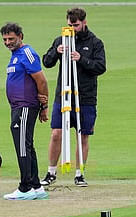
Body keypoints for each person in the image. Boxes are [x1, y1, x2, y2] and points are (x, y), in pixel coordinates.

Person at [41, 7, 106, 187]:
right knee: (56, 133)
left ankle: (80, 173)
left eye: (76, 25)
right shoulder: (61, 39)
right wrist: (57, 51)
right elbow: (46, 62)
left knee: (82, 135)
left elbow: (100, 67)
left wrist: (81, 59)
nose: (72, 28)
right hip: (63, 95)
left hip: (86, 96)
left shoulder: (95, 43)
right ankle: (51, 172)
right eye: (70, 24)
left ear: (84, 22)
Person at [0, 22, 49, 200]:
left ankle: (25, 187)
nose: (7, 42)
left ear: (21, 36)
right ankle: (36, 186)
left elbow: (41, 81)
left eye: (11, 38)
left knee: (22, 146)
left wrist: (44, 105)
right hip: (20, 107)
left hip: (25, 106)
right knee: (27, 145)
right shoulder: (16, 55)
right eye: (5, 39)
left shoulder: (26, 53)